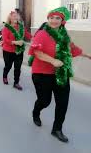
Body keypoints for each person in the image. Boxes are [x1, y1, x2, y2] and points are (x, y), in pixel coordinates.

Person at [28, 7, 91, 143]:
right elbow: (36, 52)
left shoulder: (64, 34)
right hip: (42, 73)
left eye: (57, 18)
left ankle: (57, 129)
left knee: (62, 103)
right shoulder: (42, 34)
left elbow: (71, 47)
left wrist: (86, 54)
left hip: (61, 73)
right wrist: (52, 60)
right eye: (51, 17)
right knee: (45, 101)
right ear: (48, 19)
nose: (54, 20)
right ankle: (36, 112)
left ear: (62, 21)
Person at [1, 11, 32, 90]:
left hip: (19, 51)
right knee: (8, 66)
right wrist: (15, 42)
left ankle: (16, 82)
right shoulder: (6, 28)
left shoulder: (21, 27)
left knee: (17, 68)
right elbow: (5, 40)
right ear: (10, 18)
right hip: (8, 51)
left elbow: (27, 34)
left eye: (17, 16)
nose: (15, 17)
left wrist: (35, 38)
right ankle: (4, 76)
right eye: (14, 16)